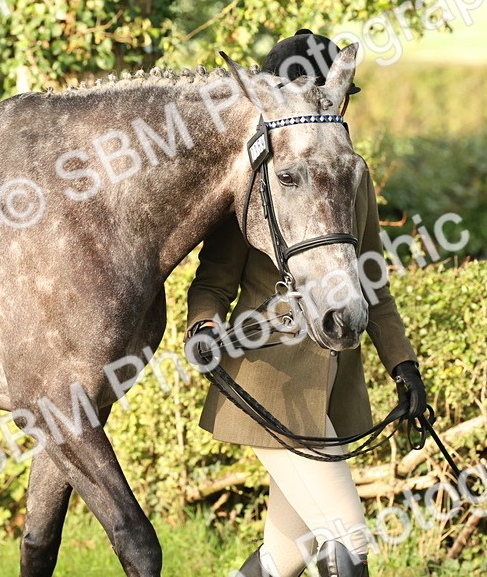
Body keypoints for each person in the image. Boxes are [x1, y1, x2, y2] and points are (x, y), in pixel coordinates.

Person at [186, 30, 427, 577]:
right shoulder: (255, 178)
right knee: (350, 537)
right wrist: (202, 325)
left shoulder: (351, 175)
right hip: (268, 384)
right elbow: (213, 282)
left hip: (332, 387)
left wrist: (404, 365)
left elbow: (373, 283)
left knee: (287, 555)